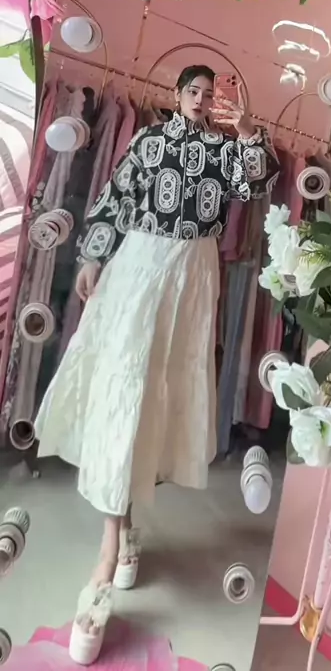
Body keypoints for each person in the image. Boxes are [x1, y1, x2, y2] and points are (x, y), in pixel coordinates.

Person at [34, 64, 280, 664]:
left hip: (193, 276)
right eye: (192, 91)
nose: (200, 100)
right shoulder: (148, 140)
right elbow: (115, 195)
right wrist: (93, 256)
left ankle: (127, 529)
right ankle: (109, 547)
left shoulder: (225, 150)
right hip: (141, 266)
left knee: (159, 403)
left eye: (208, 94)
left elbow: (257, 184)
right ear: (176, 94)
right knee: (125, 388)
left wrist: (247, 129)